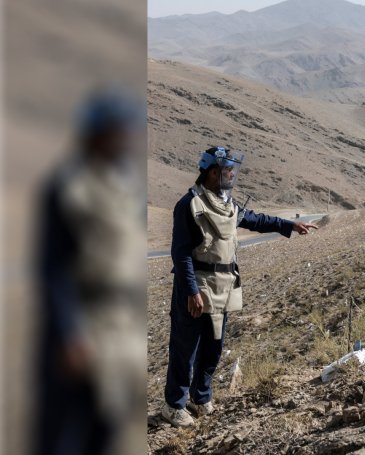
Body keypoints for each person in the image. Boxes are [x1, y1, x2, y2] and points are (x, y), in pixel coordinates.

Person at [162, 146, 317, 427]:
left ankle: (201, 397)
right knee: (187, 348)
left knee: (214, 347)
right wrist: (191, 291)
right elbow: (181, 252)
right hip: (198, 286)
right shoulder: (190, 204)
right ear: (212, 172)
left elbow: (255, 219)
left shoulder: (227, 203)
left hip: (224, 285)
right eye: (227, 170)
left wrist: (289, 226)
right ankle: (174, 406)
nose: (232, 175)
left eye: (233, 170)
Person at [35, 87, 146, 454]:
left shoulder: (124, 185)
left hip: (120, 326)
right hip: (81, 322)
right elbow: (54, 269)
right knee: (65, 430)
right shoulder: (69, 186)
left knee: (105, 426)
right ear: (97, 134)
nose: (125, 139)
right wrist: (69, 333)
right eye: (117, 131)